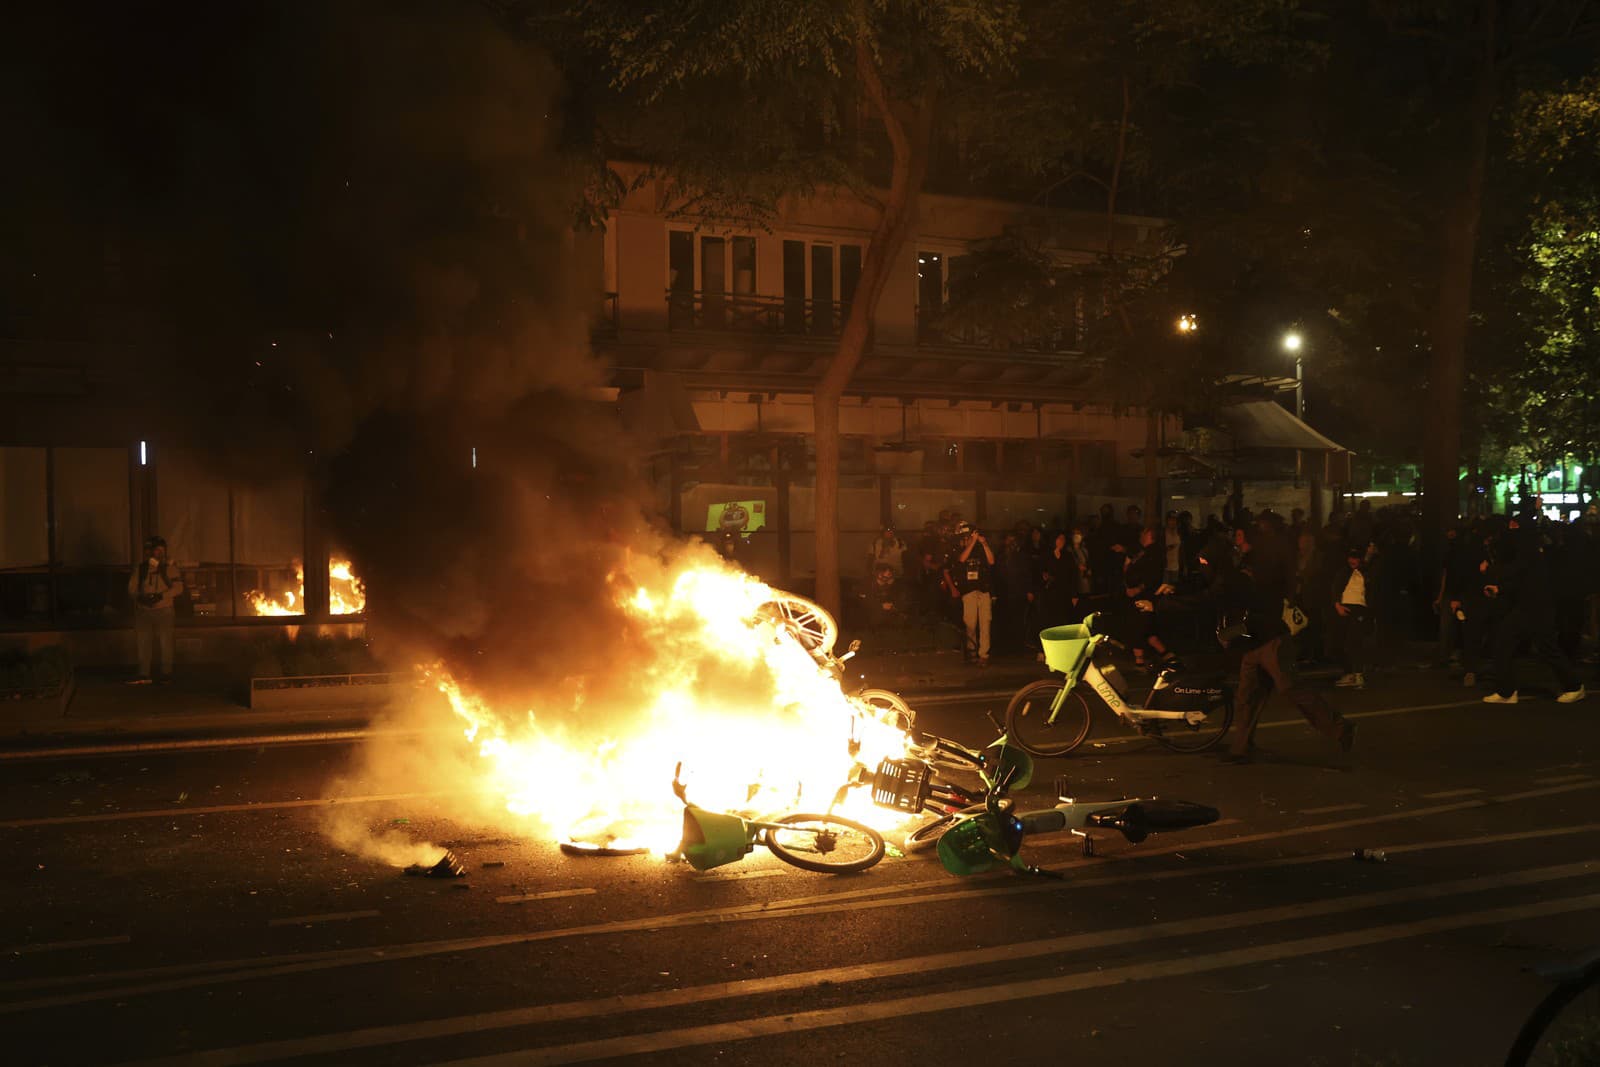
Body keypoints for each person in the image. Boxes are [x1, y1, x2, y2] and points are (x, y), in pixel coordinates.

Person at [1218, 528, 1356, 764]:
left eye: (1240, 536)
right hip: (1254, 640)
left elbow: (1261, 602)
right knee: (1247, 695)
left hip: (1271, 639)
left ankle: (1340, 727)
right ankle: (1240, 748)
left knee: (1290, 688)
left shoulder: (1260, 568)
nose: (1236, 540)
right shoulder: (1246, 565)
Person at [1483, 511, 1586, 705]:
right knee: (1540, 646)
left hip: (1533, 607)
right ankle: (1572, 686)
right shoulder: (1532, 549)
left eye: (1514, 525)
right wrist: (1501, 587)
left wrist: (1495, 577)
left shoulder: (1526, 549)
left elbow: (1518, 573)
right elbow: (1522, 577)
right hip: (1535, 606)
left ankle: (1508, 691)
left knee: (1510, 642)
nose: (1511, 529)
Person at [127, 535, 183, 685]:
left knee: (166, 642)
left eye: (160, 551)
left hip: (164, 610)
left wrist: (161, 596)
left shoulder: (170, 568)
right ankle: (144, 673)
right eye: (154, 551)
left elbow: (178, 588)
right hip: (144, 610)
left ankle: (166, 673)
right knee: (143, 642)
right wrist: (140, 598)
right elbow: (132, 588)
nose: (157, 554)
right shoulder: (141, 568)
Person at [944, 523, 995, 666]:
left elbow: (991, 561)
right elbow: (961, 559)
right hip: (968, 591)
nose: (968, 539)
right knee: (970, 624)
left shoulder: (980, 549)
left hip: (983, 590)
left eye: (970, 536)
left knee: (985, 623)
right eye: (966, 537)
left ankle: (984, 654)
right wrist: (972, 542)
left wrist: (984, 544)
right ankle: (971, 651)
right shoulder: (957, 550)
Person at [1330, 546, 1374, 689]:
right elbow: (1336, 588)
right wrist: (1337, 605)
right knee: (1342, 642)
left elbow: (1371, 591)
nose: (1353, 560)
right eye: (1351, 557)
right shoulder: (1343, 572)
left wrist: (1369, 554)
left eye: (1356, 558)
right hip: (1344, 608)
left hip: (1359, 609)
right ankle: (1349, 673)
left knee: (1354, 642)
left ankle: (1358, 674)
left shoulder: (1366, 572)